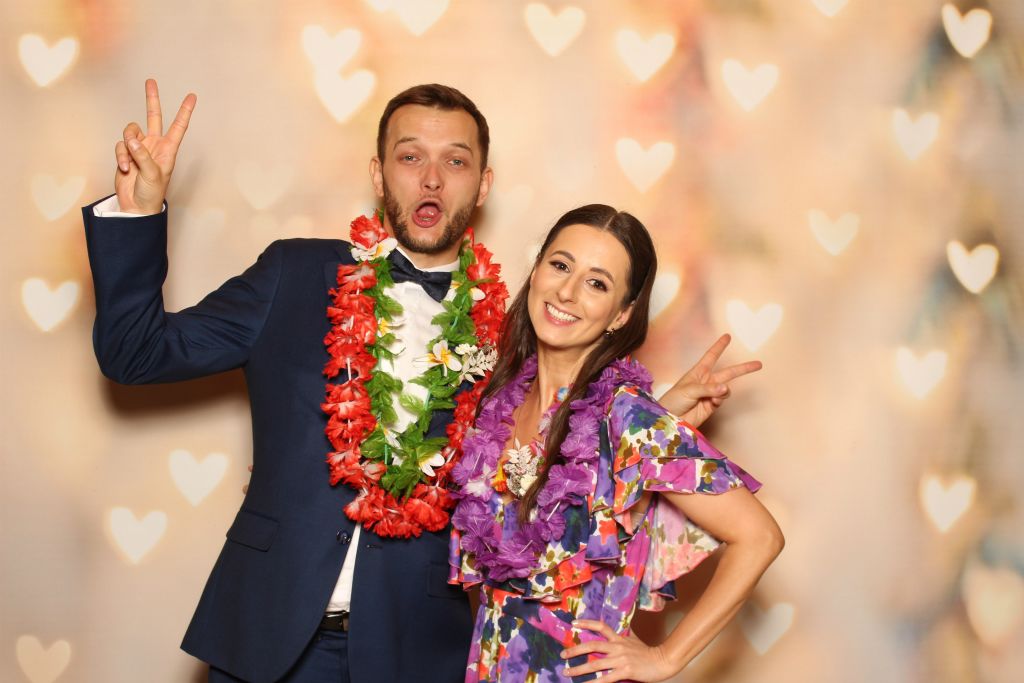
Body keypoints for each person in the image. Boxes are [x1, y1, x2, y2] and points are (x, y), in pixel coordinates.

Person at [84, 80, 761, 682]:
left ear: (483, 185)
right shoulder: (293, 274)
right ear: (378, 174)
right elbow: (134, 354)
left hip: (416, 648)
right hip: (264, 627)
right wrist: (139, 214)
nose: (432, 179)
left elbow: (547, 455)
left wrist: (657, 420)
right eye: (410, 157)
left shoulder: (513, 330)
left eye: (455, 161)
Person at [449, 205, 784, 682]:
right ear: (537, 270)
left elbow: (759, 536)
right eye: (560, 265)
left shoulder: (628, 418)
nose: (567, 292)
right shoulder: (501, 402)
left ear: (622, 314)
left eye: (597, 283)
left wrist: (665, 658)